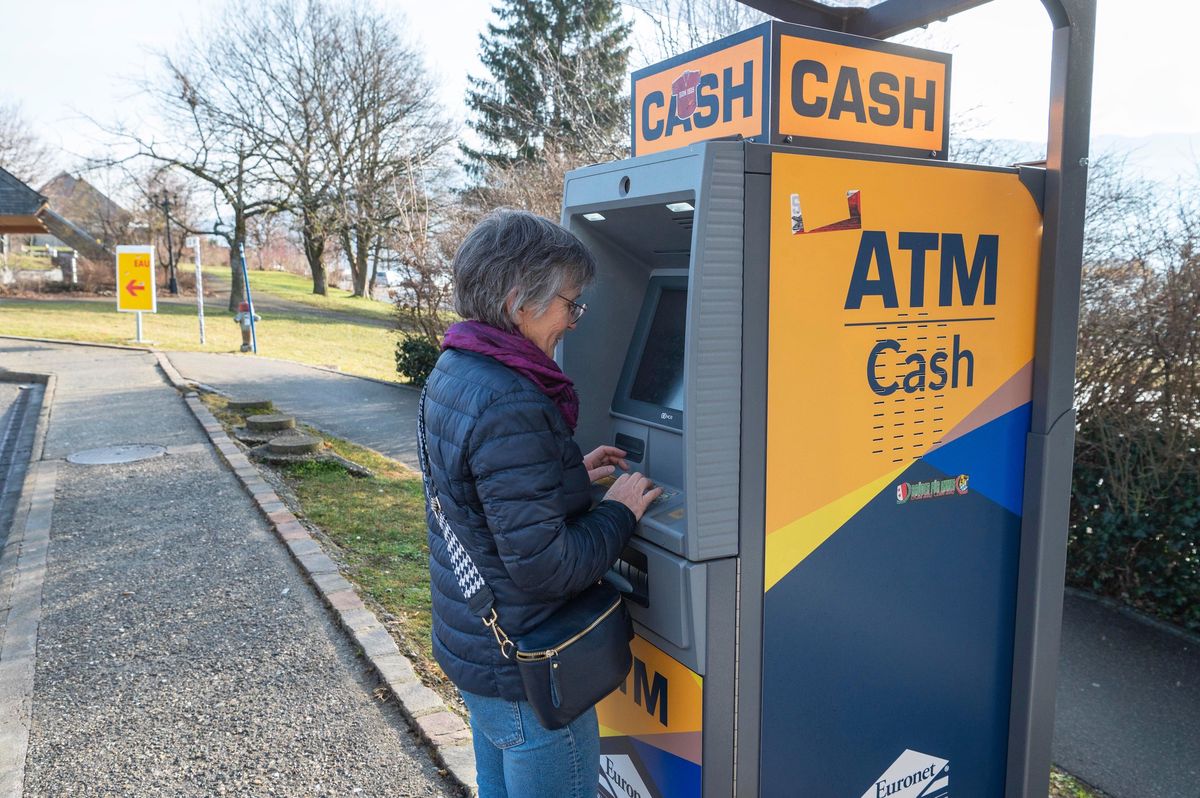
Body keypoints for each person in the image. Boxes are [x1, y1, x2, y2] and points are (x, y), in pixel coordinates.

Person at [420, 209, 661, 798]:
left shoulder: (458, 368)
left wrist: (567, 474)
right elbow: (545, 565)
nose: (575, 321)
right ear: (517, 302)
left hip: (481, 646)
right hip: (529, 668)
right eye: (569, 304)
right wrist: (620, 510)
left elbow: (478, 494)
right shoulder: (510, 400)